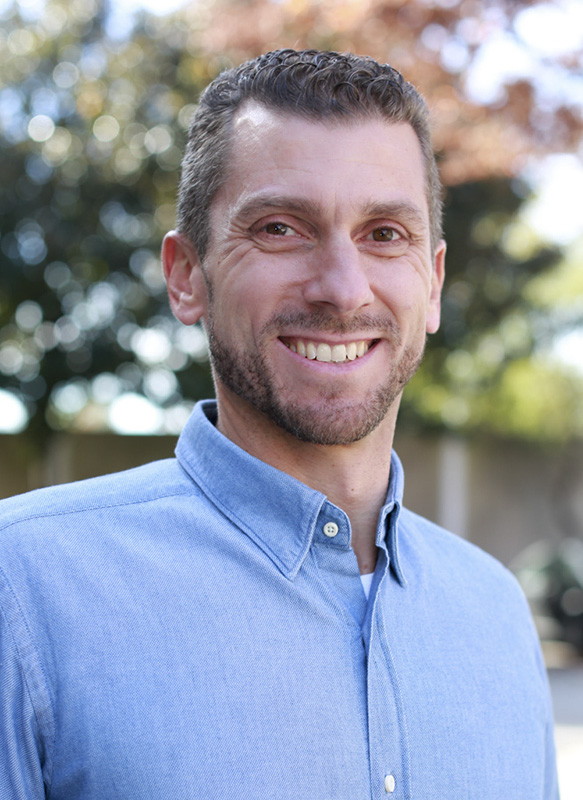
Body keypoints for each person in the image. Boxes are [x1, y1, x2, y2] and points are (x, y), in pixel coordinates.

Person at [0, 49, 558, 799]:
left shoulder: (492, 613)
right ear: (186, 275)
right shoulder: (25, 590)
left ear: (431, 282)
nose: (340, 287)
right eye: (280, 228)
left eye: (384, 233)